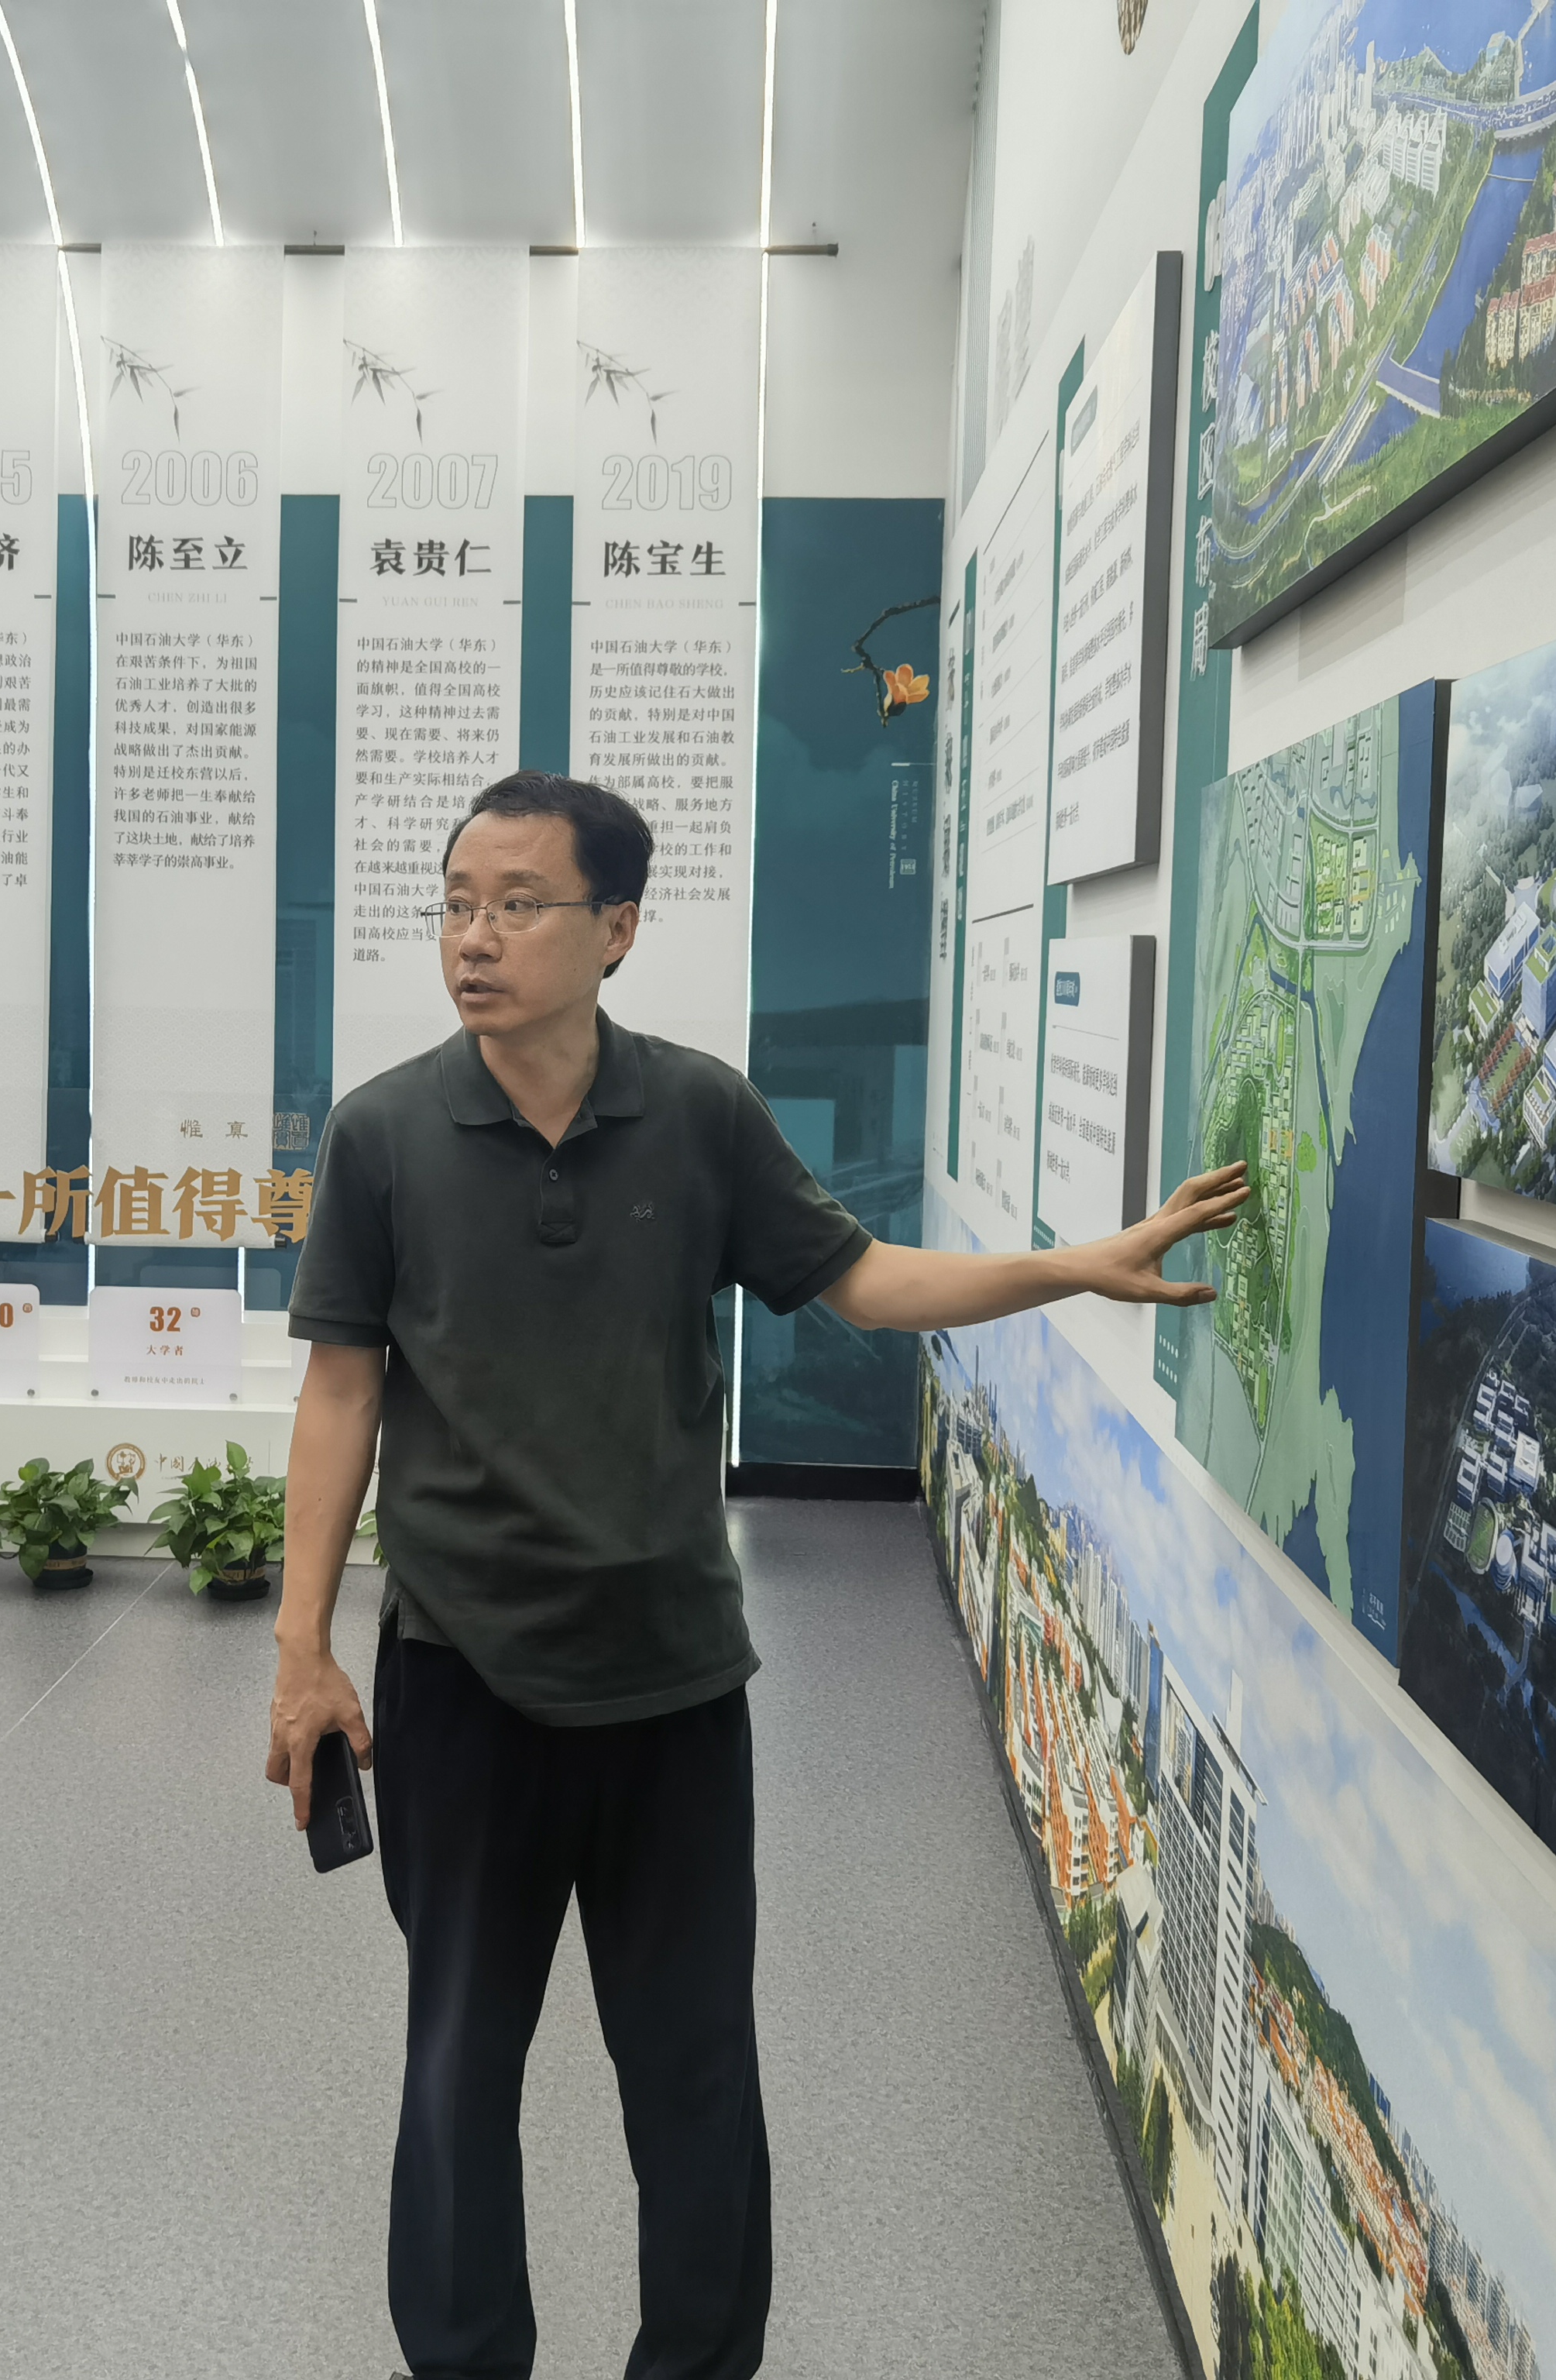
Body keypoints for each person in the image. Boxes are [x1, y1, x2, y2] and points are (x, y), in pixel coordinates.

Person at [268, 772, 1247, 2380]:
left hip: (670, 1683)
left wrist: (1072, 1267)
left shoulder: (700, 1115)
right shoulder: (382, 1132)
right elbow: (340, 1393)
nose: (474, 938)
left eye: (517, 905)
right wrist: (303, 1649)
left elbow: (861, 1282)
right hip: (459, 1678)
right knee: (455, 2070)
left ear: (615, 930)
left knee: (695, 2079)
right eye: (455, 904)